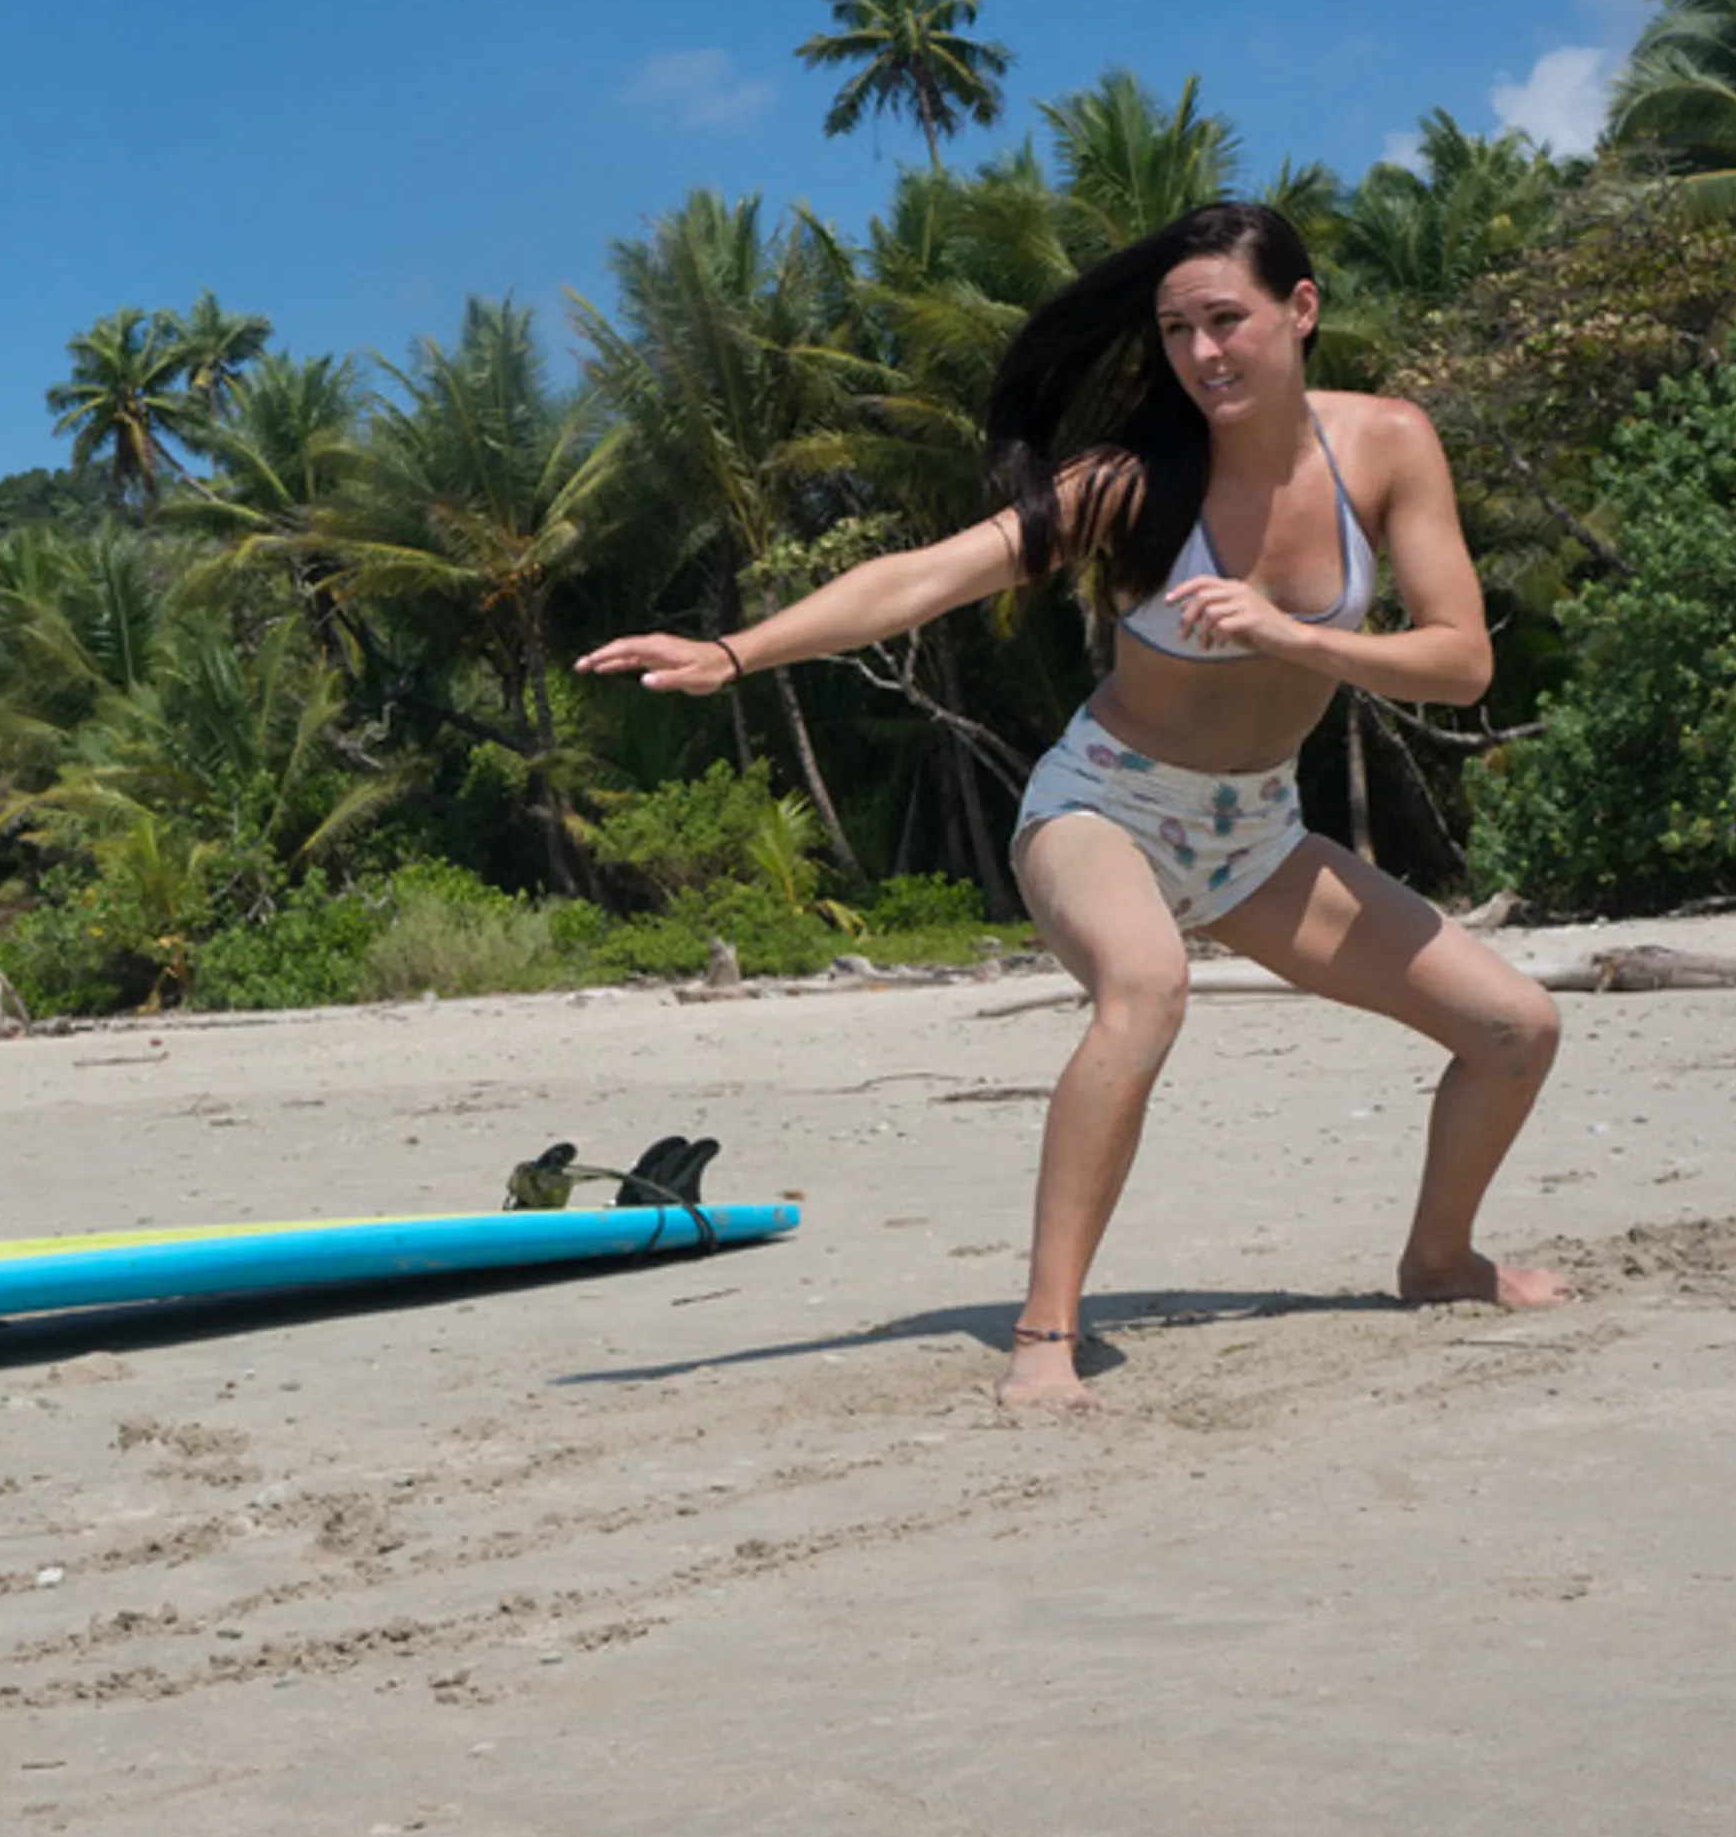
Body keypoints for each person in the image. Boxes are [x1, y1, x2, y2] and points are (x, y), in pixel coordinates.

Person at [576, 202, 1565, 1406]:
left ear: (1301, 312)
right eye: (1177, 330)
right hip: (1104, 808)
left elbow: (1464, 662)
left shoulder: (1390, 445)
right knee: (1147, 989)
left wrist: (1295, 634)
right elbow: (926, 577)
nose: (1203, 353)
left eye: (1227, 321)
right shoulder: (1129, 483)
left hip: (1256, 836)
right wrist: (735, 651)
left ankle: (1439, 1258)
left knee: (1517, 1028)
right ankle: (1046, 1335)